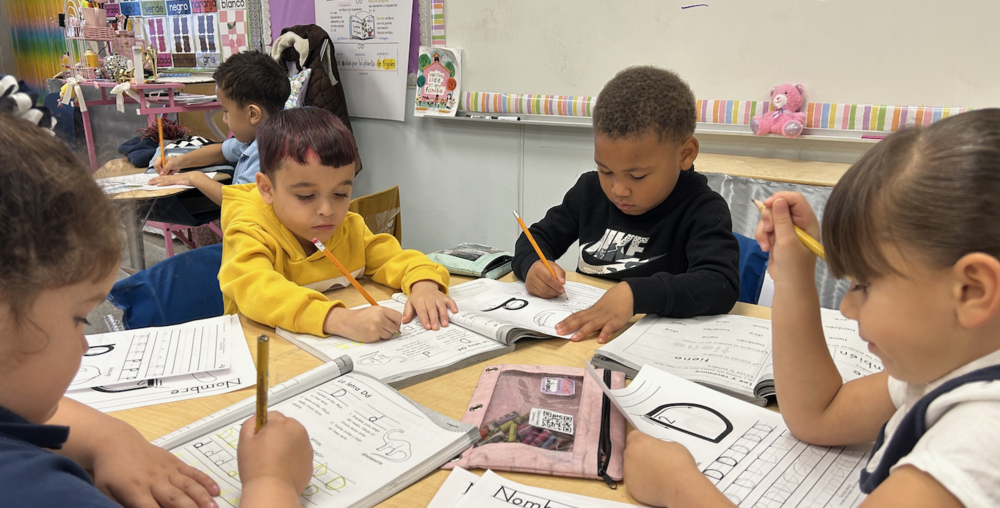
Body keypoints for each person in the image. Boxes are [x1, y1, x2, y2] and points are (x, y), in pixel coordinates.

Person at [623, 109, 1000, 507]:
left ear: (972, 290)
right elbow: (818, 415)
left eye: (864, 285)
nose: (849, 308)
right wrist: (794, 275)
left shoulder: (978, 442)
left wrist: (680, 490)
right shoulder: (949, 363)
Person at [0, 114, 313, 508]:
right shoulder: (32, 489)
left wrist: (109, 437)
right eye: (80, 319)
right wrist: (273, 482)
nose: (85, 346)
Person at [512, 66, 740, 342]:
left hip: (654, 348)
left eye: (637, 176)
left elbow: (720, 285)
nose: (618, 190)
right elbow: (534, 238)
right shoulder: (590, 191)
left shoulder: (701, 208)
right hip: (584, 343)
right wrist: (534, 265)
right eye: (605, 170)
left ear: (685, 154)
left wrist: (635, 294)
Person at [219, 107, 455, 342]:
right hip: (263, 359)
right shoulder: (248, 232)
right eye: (306, 196)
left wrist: (424, 284)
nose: (327, 210)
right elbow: (258, 292)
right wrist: (341, 320)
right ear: (267, 189)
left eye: (341, 193)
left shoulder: (349, 228)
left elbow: (396, 259)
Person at [148, 51, 291, 205]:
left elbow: (238, 202)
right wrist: (178, 162)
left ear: (252, 114)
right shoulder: (258, 137)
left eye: (226, 111)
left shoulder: (269, 152)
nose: (224, 119)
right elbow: (222, 151)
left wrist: (194, 178)